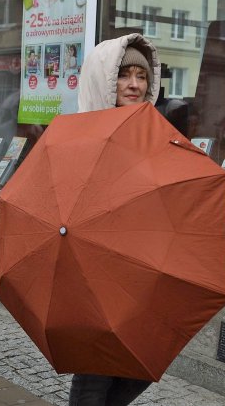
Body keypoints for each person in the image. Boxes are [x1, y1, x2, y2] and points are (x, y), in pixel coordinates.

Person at [71, 33, 161, 406]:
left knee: (144, 362)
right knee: (94, 372)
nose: (135, 85)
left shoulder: (153, 131)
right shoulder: (77, 135)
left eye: (142, 77)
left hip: (140, 266)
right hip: (93, 269)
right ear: (106, 78)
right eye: (125, 75)